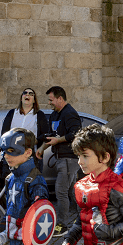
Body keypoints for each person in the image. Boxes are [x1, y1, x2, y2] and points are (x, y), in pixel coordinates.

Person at [39, 86, 82, 235]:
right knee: (72, 192)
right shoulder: (55, 115)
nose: (49, 103)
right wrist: (42, 148)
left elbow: (76, 133)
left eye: (51, 100)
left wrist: (59, 141)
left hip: (69, 159)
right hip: (59, 158)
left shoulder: (70, 113)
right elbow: (52, 135)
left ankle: (62, 225)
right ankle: (84, 219)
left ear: (60, 99)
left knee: (61, 191)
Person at [0, 88, 51, 155]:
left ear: (34, 100)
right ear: (21, 98)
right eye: (25, 93)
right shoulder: (12, 113)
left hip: (31, 154)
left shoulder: (39, 115)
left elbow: (45, 134)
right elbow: (4, 132)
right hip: (13, 153)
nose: (27, 95)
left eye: (31, 94)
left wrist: (34, 141)